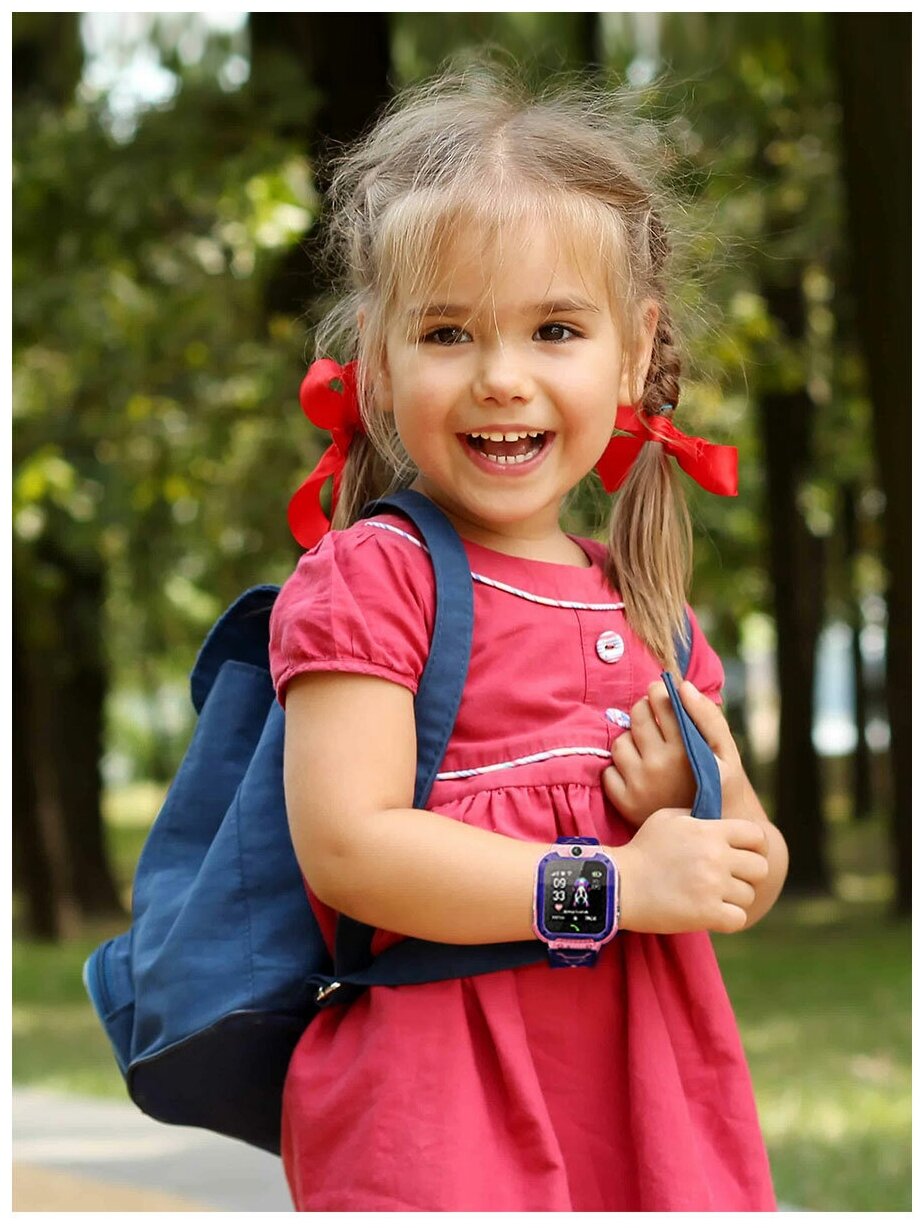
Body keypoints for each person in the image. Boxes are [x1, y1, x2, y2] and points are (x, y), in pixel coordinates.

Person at [268, 66, 788, 1213]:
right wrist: (616, 884)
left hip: (646, 1114)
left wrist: (704, 811)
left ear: (633, 349)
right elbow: (350, 849)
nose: (502, 378)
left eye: (555, 328)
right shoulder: (376, 578)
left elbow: (745, 875)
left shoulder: (649, 610)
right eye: (448, 332)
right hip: (441, 1118)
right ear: (379, 357)